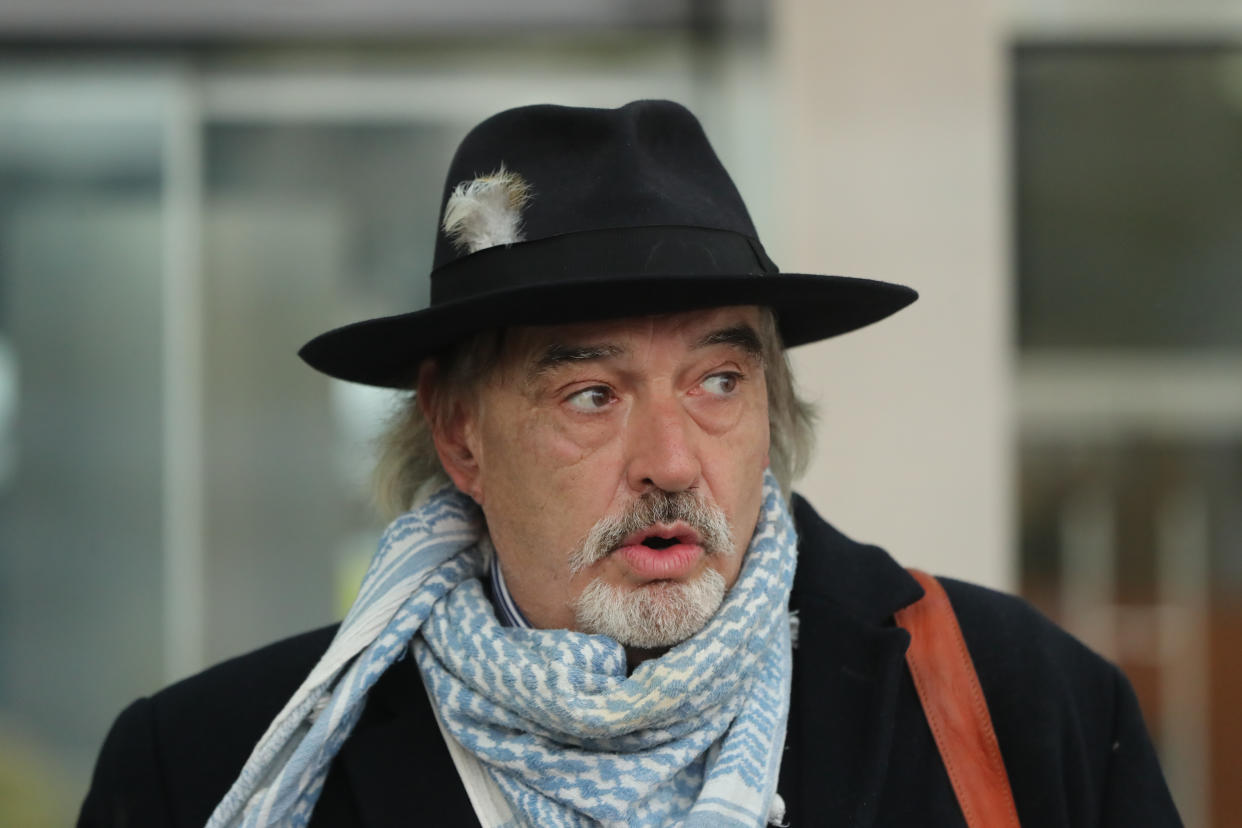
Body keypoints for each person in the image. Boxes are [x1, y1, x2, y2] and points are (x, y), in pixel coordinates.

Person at [78, 100, 1181, 827]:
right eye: (591, 395)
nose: (670, 463)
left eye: (716, 382)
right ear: (460, 433)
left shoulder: (1021, 706)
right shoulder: (205, 769)